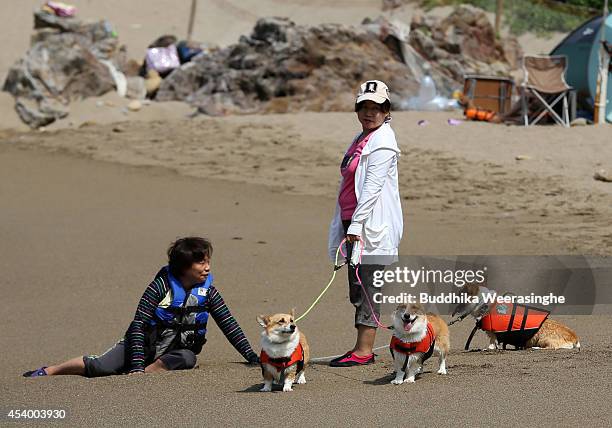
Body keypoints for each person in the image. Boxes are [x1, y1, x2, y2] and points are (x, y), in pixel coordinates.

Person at [23, 237, 259, 377]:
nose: (207, 267)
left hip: (173, 352)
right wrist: (136, 364)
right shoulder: (159, 288)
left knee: (188, 358)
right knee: (101, 367)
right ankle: (52, 370)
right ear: (183, 266)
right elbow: (138, 325)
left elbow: (229, 324)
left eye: (208, 261)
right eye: (201, 262)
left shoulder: (208, 293)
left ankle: (151, 370)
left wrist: (250, 355)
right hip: (142, 344)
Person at [328, 80, 403, 367]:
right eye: (364, 107)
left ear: (387, 111)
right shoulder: (363, 137)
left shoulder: (383, 141)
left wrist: (357, 227)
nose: (369, 113)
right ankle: (360, 346)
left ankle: (364, 350)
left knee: (369, 286)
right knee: (357, 287)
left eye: (376, 108)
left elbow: (371, 189)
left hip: (370, 225)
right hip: (352, 222)